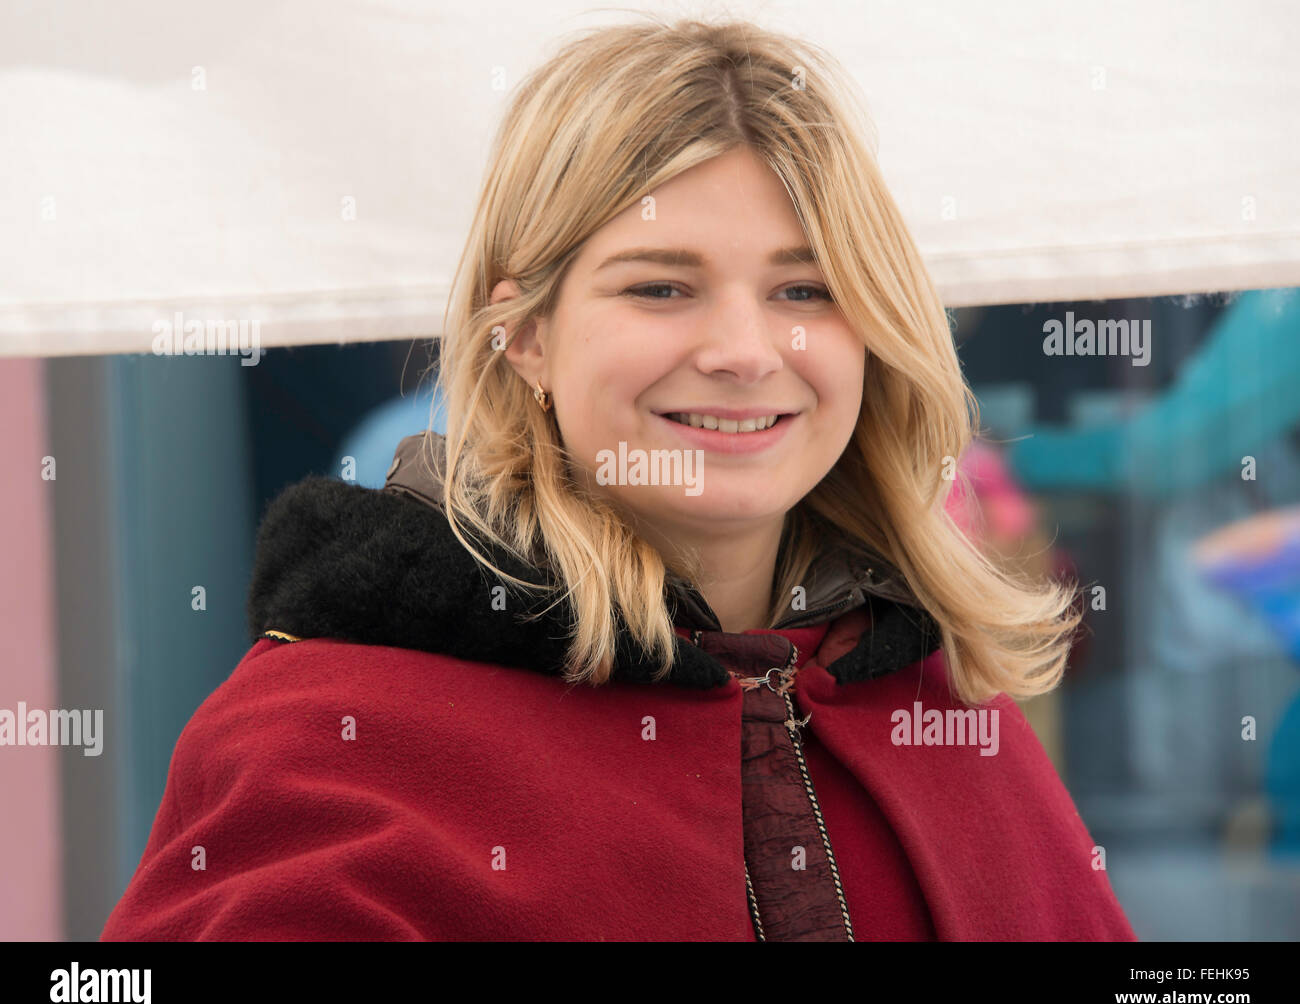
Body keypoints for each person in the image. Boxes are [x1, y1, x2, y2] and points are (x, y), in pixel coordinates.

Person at [100, 16, 1135, 941]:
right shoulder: (333, 730)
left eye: (804, 287)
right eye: (660, 286)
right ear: (524, 333)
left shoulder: (944, 709)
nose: (743, 348)